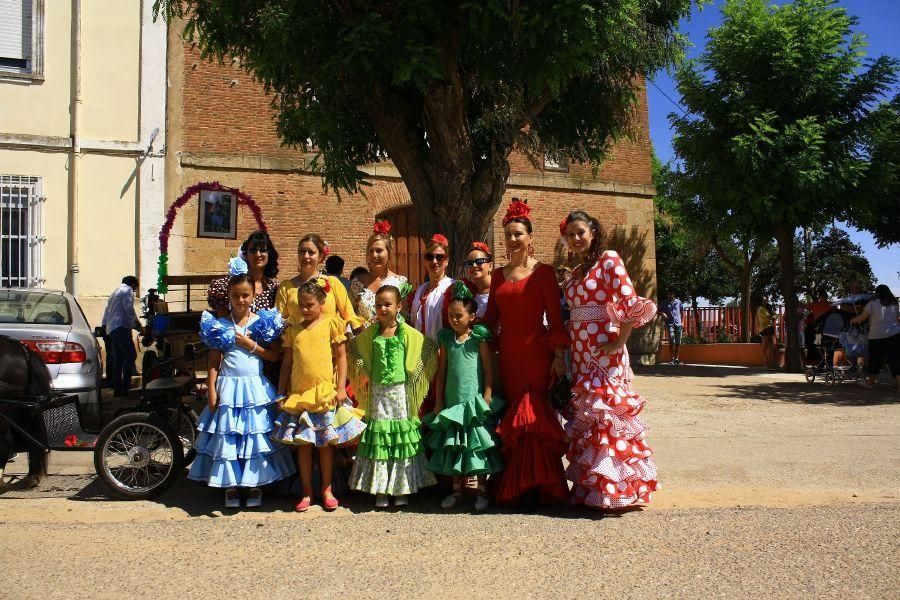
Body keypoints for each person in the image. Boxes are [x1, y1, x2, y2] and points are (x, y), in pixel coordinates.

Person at [562, 211, 659, 509]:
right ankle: (591, 488)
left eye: (581, 232)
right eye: (570, 234)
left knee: (608, 417)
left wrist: (619, 340)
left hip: (604, 352)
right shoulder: (577, 270)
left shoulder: (609, 259)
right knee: (590, 418)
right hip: (580, 355)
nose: (576, 238)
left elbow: (629, 300)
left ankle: (615, 491)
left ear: (593, 231)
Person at [482, 198, 569, 506]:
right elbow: (490, 321)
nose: (513, 239)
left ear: (530, 238)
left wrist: (558, 358)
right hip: (509, 359)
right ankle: (518, 484)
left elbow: (557, 322)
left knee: (532, 419)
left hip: (536, 357)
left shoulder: (544, 272)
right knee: (513, 419)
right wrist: (463, 332)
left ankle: (540, 485)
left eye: (518, 234)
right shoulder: (497, 276)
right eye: (508, 235)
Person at [188, 260, 295, 508]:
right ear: (229, 296)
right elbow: (214, 361)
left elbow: (273, 355)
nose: (241, 300)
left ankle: (254, 483)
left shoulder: (261, 322)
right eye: (236, 296)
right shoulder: (220, 325)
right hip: (228, 387)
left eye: (245, 295)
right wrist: (212, 389)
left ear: (253, 295)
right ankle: (232, 485)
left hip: (254, 388)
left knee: (254, 437)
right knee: (230, 437)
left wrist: (251, 346)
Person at [271, 279, 366, 512]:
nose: (305, 309)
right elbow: (287, 363)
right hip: (300, 394)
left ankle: (326, 488)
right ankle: (306, 490)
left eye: (310, 304)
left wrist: (341, 387)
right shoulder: (294, 330)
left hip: (324, 393)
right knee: (303, 444)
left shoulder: (331, 325)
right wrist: (281, 392)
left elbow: (341, 357)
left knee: (324, 445)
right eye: (302, 304)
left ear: (321, 303)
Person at [348, 285, 438, 508]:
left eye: (387, 304)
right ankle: (381, 488)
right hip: (378, 393)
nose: (382, 309)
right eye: (378, 305)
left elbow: (425, 346)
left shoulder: (405, 332)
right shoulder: (373, 332)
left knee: (399, 437)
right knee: (380, 437)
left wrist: (415, 372)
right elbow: (355, 348)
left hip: (399, 393)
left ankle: (400, 487)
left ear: (399, 306)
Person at [423, 282, 503, 511]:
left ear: (472, 317)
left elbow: (488, 370)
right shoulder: (447, 341)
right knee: (455, 446)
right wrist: (439, 401)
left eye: (459, 315)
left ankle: (481, 491)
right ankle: (457, 491)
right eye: (450, 315)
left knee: (476, 446)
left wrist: (487, 393)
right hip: (452, 402)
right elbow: (442, 373)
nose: (454, 320)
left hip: (474, 401)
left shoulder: (478, 339)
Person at [276, 234, 365, 390]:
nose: (306, 256)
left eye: (311, 252)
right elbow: (278, 323)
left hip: (330, 363)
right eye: (301, 251)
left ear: (321, 256)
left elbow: (349, 316)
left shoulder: (333, 283)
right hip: (301, 364)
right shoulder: (286, 287)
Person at [207, 230, 282, 382]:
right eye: (253, 250)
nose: (258, 254)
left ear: (270, 254)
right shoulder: (230, 285)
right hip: (237, 362)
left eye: (263, 250)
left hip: (266, 360)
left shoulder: (274, 288)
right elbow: (222, 328)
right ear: (246, 254)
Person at [350, 221, 409, 327]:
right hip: (365, 341)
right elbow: (349, 316)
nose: (374, 255)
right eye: (371, 251)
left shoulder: (401, 283)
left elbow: (406, 318)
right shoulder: (358, 282)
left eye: (379, 250)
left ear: (389, 253)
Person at [850, 285, 899, 390]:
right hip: (895, 334)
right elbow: (896, 318)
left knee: (875, 360)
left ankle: (870, 382)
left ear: (877, 293)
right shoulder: (894, 304)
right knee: (895, 360)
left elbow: (862, 317)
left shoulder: (872, 304)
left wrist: (852, 320)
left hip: (877, 336)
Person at [101, 276, 142, 397]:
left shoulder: (114, 293)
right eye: (135, 289)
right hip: (120, 327)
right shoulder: (127, 290)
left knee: (118, 358)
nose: (134, 291)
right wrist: (138, 324)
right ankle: (126, 387)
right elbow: (129, 308)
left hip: (112, 328)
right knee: (130, 355)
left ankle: (118, 389)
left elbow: (107, 312)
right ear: (133, 285)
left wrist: (104, 326)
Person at [411, 234, 456, 339]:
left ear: (447, 261)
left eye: (439, 257)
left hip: (444, 350)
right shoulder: (419, 292)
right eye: (429, 257)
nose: (434, 261)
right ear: (425, 261)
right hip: (419, 350)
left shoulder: (452, 288)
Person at [461, 242, 493, 318]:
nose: (474, 266)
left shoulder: (500, 290)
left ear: (490, 266)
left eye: (479, 261)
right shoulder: (465, 294)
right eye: (470, 263)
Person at [660, 290, 683, 365]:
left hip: (678, 324)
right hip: (670, 324)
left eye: (671, 294)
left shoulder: (679, 302)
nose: (670, 295)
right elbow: (658, 310)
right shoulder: (664, 302)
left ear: (674, 294)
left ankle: (677, 358)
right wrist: (662, 313)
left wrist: (682, 322)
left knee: (678, 342)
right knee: (672, 340)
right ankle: (672, 359)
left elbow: (682, 313)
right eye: (669, 294)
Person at [756, 297, 778, 369]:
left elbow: (772, 317)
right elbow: (768, 318)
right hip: (765, 329)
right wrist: (774, 315)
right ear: (761, 301)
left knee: (773, 346)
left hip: (769, 328)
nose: (766, 300)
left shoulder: (767, 308)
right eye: (764, 299)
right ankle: (767, 364)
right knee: (765, 348)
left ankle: (773, 364)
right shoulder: (761, 309)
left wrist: (774, 315)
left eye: (766, 299)